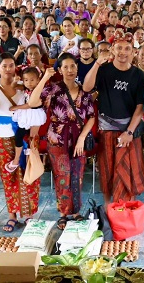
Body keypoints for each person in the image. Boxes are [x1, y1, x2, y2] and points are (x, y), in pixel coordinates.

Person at [83, 32, 144, 204]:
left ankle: (128, 208)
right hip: (106, 128)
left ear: (133, 52)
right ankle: (108, 208)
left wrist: (129, 132)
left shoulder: (138, 75)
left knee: (130, 171)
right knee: (107, 170)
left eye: (127, 48)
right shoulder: (103, 70)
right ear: (112, 49)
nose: (123, 52)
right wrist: (97, 62)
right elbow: (87, 87)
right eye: (119, 48)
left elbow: (140, 107)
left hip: (128, 131)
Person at [0, 53, 40, 232]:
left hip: (26, 134)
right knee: (8, 176)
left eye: (11, 65)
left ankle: (29, 215)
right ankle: (12, 215)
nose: (8, 69)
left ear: (16, 67)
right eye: (4, 65)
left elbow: (36, 105)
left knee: (29, 174)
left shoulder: (24, 86)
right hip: (3, 136)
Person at [32, 58, 94, 229]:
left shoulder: (84, 90)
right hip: (57, 138)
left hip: (78, 138)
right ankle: (63, 213)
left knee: (77, 175)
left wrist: (82, 137)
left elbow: (91, 116)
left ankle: (76, 212)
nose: (69, 70)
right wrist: (44, 78)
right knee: (62, 176)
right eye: (65, 67)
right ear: (59, 70)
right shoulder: (53, 89)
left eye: (72, 66)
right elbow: (32, 102)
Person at [6, 67, 47, 173]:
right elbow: (13, 86)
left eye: (32, 80)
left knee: (33, 138)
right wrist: (15, 80)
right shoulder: (25, 89)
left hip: (35, 115)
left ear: (38, 80)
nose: (29, 83)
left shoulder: (40, 91)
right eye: (26, 80)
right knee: (19, 136)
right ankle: (17, 159)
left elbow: (31, 105)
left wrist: (16, 107)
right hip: (25, 116)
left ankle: (33, 159)